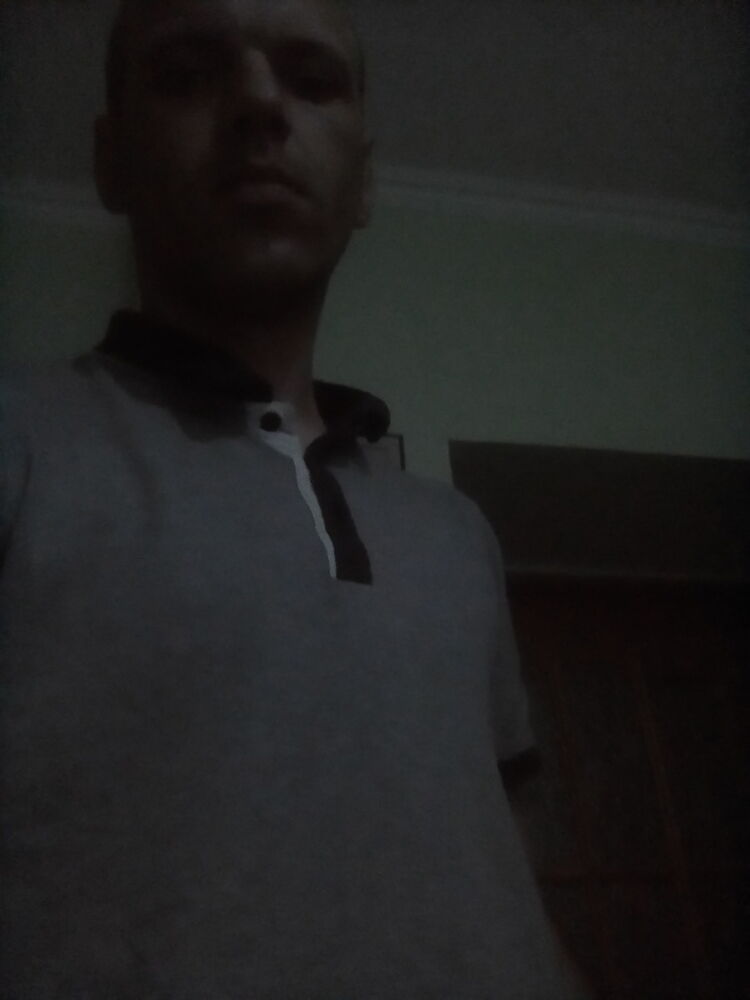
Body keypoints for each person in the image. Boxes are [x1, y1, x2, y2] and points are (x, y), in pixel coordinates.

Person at [0, 0, 592, 996]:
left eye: (312, 81)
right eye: (188, 75)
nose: (259, 105)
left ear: (364, 180)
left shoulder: (457, 533)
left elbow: (504, 886)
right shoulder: (19, 438)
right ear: (109, 162)